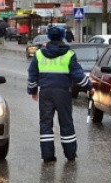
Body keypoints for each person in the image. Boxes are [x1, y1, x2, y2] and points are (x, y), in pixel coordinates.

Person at [27, 26, 94, 163]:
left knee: (45, 124)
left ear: (49, 37)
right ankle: (70, 154)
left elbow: (32, 75)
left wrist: (33, 91)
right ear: (63, 36)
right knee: (66, 123)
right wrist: (89, 86)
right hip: (63, 92)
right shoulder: (69, 54)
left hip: (45, 92)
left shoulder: (39, 54)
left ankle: (47, 155)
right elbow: (78, 75)